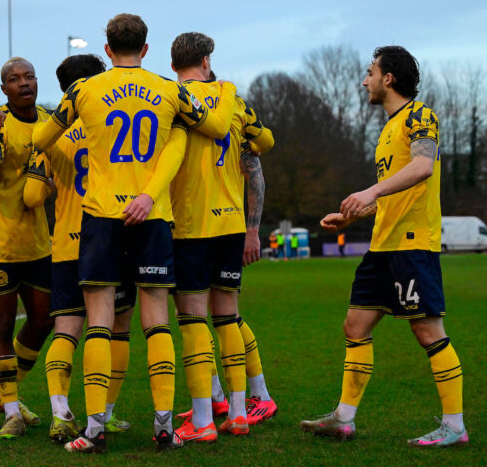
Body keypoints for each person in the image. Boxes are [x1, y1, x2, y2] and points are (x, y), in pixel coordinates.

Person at [33, 13, 240, 453]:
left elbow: (42, 138)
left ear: (108, 50)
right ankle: (163, 427)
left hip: (101, 215)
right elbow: (216, 127)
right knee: (157, 322)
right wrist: (225, 91)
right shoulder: (169, 90)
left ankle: (94, 430)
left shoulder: (83, 90)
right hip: (153, 216)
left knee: (100, 323)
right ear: (146, 49)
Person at [300, 46, 468, 447]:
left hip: (412, 245)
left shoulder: (419, 116)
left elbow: (423, 167)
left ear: (388, 77)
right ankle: (343, 419)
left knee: (428, 331)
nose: (365, 81)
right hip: (382, 247)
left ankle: (455, 426)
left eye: (370, 72)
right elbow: (397, 194)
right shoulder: (389, 129)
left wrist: (370, 190)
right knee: (355, 327)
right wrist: (352, 216)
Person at [167, 32, 276, 442]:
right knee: (227, 317)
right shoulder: (235, 103)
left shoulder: (169, 99)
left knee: (192, 320)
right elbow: (265, 142)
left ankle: (202, 421)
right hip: (231, 224)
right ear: (206, 61)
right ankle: (239, 412)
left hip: (188, 225)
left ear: (173, 64)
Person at [23, 54, 136, 443]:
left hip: (67, 244)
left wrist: (53, 181)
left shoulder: (52, 134)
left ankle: (60, 413)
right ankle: (105, 413)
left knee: (66, 330)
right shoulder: (110, 124)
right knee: (116, 330)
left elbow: (32, 196)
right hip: (112, 241)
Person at [0, 57, 55, 439]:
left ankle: (2, 392)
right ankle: (11, 410)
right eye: (14, 79)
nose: (23, 83)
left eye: (28, 77)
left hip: (37, 242)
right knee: (3, 325)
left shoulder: (49, 123)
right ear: (3, 88)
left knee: (44, 319)